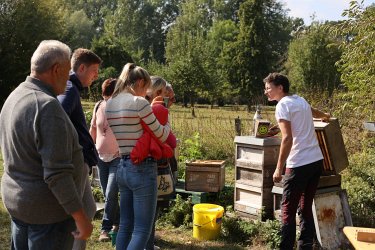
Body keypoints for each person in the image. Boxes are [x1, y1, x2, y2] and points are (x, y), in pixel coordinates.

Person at [0, 40, 93, 250]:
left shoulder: (15, 95)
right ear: (56, 69)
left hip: (21, 206)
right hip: (48, 217)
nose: (70, 77)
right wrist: (80, 217)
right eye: (68, 71)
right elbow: (57, 174)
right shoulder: (47, 106)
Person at [106, 63, 171, 250]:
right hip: (142, 168)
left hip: (122, 166)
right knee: (142, 229)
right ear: (140, 82)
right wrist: (167, 124)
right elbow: (161, 134)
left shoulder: (110, 103)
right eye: (147, 87)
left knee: (125, 225)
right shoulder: (138, 103)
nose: (146, 93)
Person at [263, 72, 330, 250]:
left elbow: (287, 139)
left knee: (287, 210)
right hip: (316, 162)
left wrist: (278, 168)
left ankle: (285, 247)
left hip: (298, 164)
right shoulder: (299, 100)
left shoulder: (282, 106)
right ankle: (305, 246)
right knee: (306, 207)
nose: (266, 92)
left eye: (268, 88)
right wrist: (325, 115)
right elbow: (311, 110)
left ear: (280, 88)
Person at [58, 48, 102, 250]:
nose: (96, 76)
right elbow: (58, 118)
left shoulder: (71, 88)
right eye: (94, 71)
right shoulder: (69, 88)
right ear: (81, 67)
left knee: (90, 207)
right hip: (76, 161)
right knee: (77, 212)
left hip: (81, 160)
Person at [144, 77, 177, 250]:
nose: (169, 100)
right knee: (151, 208)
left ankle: (147, 242)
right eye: (166, 95)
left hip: (138, 162)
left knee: (145, 209)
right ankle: (147, 244)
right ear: (157, 93)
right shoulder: (156, 110)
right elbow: (169, 139)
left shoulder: (141, 106)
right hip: (153, 162)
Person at [89, 78, 120, 242]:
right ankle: (118, 222)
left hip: (117, 157)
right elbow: (93, 129)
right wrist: (88, 151)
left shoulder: (122, 108)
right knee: (108, 194)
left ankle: (105, 229)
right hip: (100, 157)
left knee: (110, 193)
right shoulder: (98, 106)